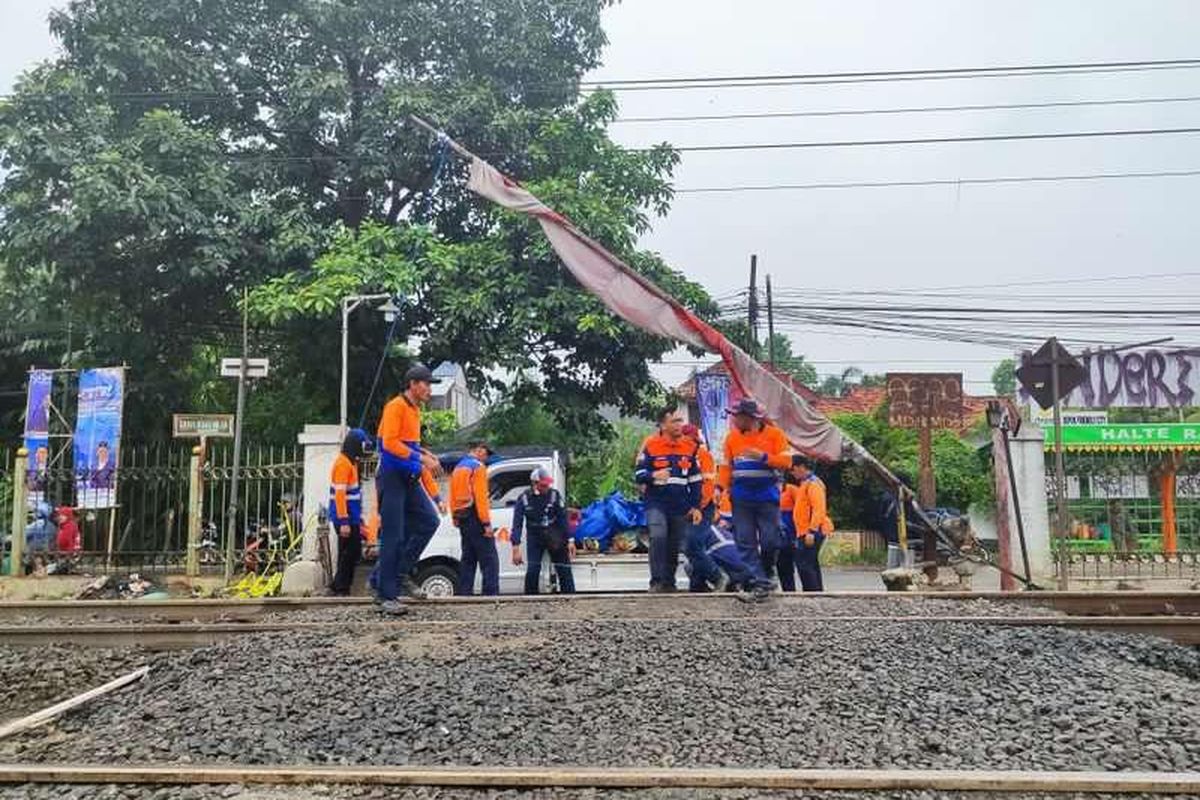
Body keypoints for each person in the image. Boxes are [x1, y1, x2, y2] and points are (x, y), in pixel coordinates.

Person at [375, 363, 445, 614]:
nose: (429, 389)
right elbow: (388, 444)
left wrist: (425, 453)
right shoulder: (395, 407)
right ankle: (386, 595)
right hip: (392, 477)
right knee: (393, 536)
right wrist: (420, 459)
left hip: (409, 477)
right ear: (413, 384)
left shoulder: (415, 409)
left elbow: (409, 445)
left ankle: (399, 574)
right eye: (426, 384)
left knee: (429, 521)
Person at [718, 397, 791, 599]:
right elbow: (725, 467)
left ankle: (767, 572)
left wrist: (763, 457)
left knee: (770, 541)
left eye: (737, 416)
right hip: (741, 500)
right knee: (745, 542)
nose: (733, 420)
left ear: (749, 418)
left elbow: (787, 462)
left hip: (767, 498)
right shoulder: (731, 439)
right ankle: (761, 583)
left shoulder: (775, 435)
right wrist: (719, 487)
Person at [635, 408, 703, 592]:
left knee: (674, 544)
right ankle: (656, 581)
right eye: (675, 421)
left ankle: (669, 583)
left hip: (680, 505)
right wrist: (654, 475)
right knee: (658, 536)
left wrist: (696, 506)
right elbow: (639, 474)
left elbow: (696, 479)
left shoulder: (690, 447)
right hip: (656, 502)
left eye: (681, 421)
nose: (679, 425)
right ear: (663, 425)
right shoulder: (651, 445)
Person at [512, 467, 576, 595]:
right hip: (534, 535)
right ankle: (530, 600)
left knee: (564, 568)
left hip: (554, 533)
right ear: (534, 484)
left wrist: (570, 540)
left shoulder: (554, 495)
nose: (546, 488)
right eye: (543, 485)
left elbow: (563, 519)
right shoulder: (524, 498)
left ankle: (570, 597)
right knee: (533, 569)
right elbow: (517, 524)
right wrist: (515, 547)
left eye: (548, 485)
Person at [450, 441, 498, 596]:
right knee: (489, 559)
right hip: (475, 516)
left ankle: (465, 594)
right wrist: (486, 523)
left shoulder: (458, 468)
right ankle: (490, 595)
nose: (486, 457)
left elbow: (451, 496)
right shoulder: (478, 467)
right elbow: (481, 497)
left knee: (468, 558)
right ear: (478, 450)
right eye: (485, 453)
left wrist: (454, 517)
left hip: (462, 517)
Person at [680, 423, 723, 592]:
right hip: (688, 508)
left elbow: (707, 486)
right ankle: (698, 585)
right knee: (692, 545)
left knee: (692, 544)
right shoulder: (682, 457)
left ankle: (717, 576)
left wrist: (695, 507)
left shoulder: (703, 456)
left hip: (702, 508)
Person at [329, 428, 370, 596]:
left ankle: (340, 587)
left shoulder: (351, 463)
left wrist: (358, 519)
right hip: (344, 519)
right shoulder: (342, 464)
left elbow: (354, 495)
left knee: (348, 553)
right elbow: (340, 495)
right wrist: (344, 521)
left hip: (350, 518)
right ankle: (340, 587)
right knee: (351, 552)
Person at [790, 455, 834, 592]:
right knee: (810, 563)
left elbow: (818, 509)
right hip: (805, 531)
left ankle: (811, 592)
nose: (792, 473)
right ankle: (815, 592)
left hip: (812, 531)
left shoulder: (813, 484)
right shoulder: (806, 483)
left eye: (793, 469)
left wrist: (812, 531)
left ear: (802, 467)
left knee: (804, 563)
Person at [776, 470, 800, 592]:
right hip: (776, 533)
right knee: (780, 564)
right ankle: (786, 590)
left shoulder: (791, 490)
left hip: (790, 533)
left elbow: (800, 511)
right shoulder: (768, 492)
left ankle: (790, 590)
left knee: (788, 564)